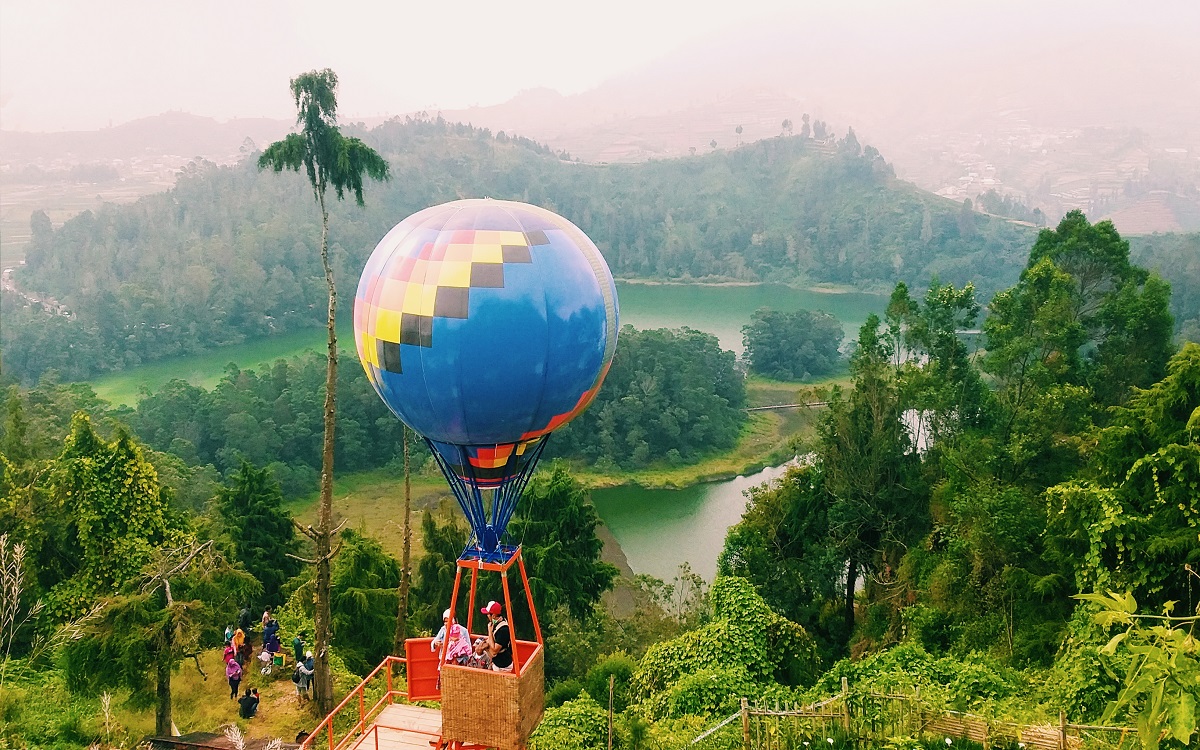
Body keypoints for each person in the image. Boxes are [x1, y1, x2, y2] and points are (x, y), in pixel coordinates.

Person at [482, 600, 513, 672]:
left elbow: (494, 650)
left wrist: (489, 631)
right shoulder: (497, 624)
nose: (487, 616)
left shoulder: (503, 630)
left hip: (503, 666)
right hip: (496, 662)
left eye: (488, 614)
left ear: (493, 615)